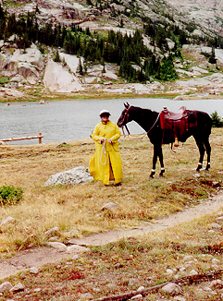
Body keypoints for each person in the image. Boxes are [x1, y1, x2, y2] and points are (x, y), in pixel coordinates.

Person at [89, 109, 123, 186]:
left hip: (112, 148)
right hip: (102, 149)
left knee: (115, 164)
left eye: (106, 116)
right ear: (101, 117)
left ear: (108, 116)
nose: (105, 117)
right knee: (104, 164)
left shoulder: (113, 125)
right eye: (103, 116)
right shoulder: (98, 126)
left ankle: (117, 180)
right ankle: (105, 180)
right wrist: (100, 139)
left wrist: (112, 139)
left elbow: (118, 133)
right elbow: (94, 135)